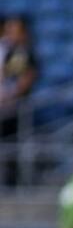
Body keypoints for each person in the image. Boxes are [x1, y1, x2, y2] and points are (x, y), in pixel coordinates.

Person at [0, 15, 38, 185]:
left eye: (14, 30)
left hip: (15, 109)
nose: (10, 34)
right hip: (5, 107)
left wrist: (11, 95)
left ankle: (13, 181)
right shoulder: (8, 51)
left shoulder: (25, 52)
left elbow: (28, 77)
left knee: (13, 146)